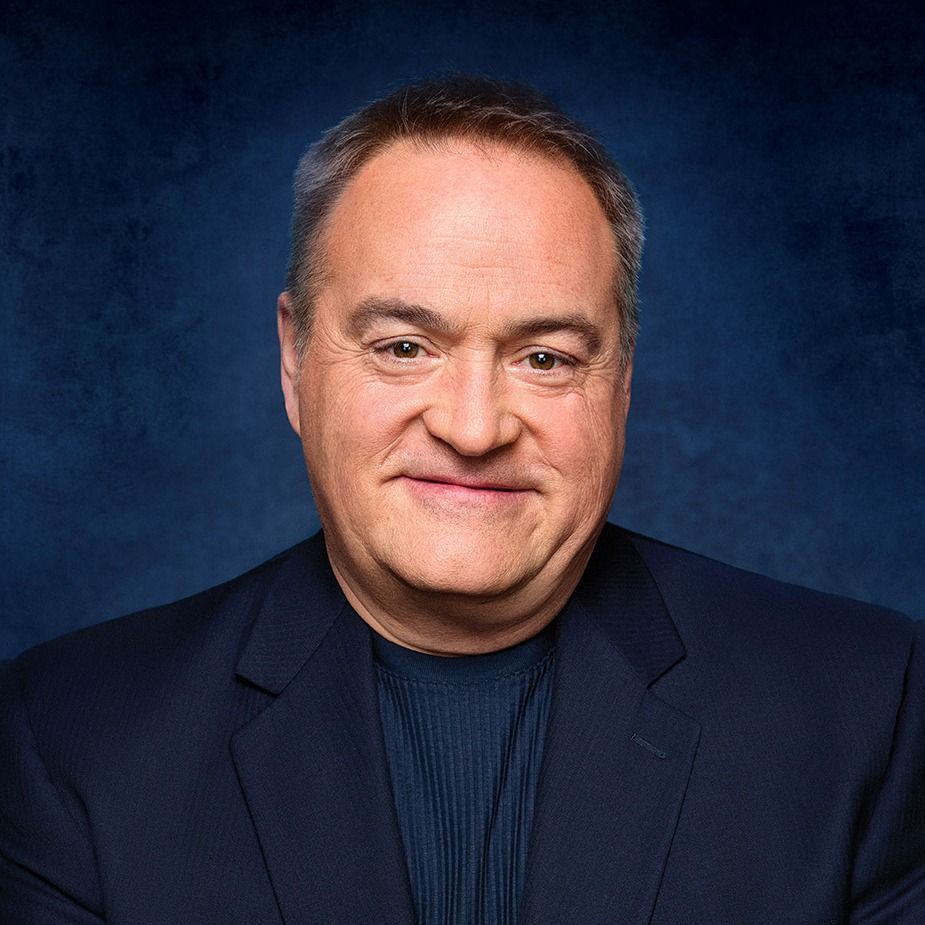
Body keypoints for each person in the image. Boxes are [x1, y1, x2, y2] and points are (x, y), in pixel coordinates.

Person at [1, 77, 922, 924]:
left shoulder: (869, 710)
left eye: (544, 358)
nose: (474, 428)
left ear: (620, 382)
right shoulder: (69, 735)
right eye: (404, 346)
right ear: (294, 359)